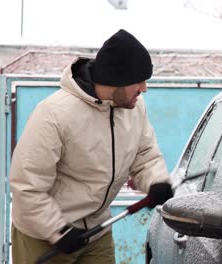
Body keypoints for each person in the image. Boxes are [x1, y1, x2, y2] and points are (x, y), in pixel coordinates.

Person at [9, 29, 173, 263]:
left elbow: (145, 155)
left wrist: (156, 181)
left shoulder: (134, 108)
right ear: (117, 79)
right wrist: (58, 230)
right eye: (139, 80)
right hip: (43, 234)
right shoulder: (54, 114)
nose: (144, 88)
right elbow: (27, 185)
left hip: (97, 231)